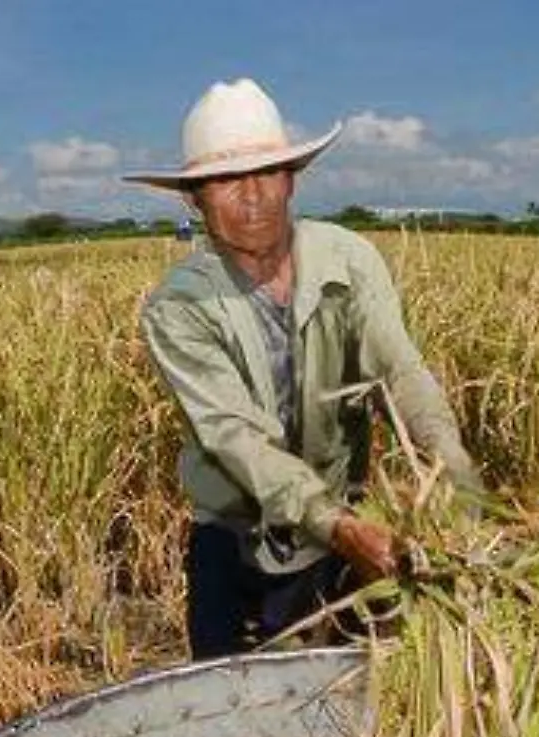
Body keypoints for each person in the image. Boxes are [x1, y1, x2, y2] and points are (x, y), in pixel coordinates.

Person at [126, 78, 484, 659]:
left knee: (344, 700)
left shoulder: (348, 260)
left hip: (342, 530)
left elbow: (400, 371)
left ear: (292, 178)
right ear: (194, 198)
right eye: (226, 180)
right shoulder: (178, 309)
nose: (253, 196)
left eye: (267, 173)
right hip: (239, 537)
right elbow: (239, 441)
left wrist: (453, 466)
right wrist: (340, 526)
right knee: (235, 708)